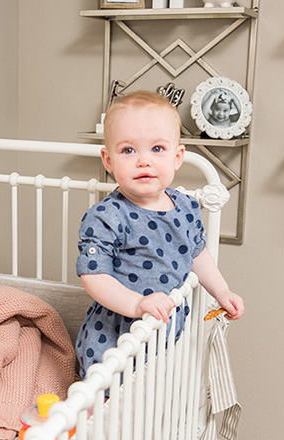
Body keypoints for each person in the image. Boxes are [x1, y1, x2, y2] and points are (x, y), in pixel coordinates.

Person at [75, 90, 244, 378]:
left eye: (157, 149)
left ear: (178, 157)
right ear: (108, 160)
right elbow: (94, 275)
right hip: (116, 338)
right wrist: (136, 304)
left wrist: (222, 290)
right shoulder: (107, 216)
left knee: (153, 399)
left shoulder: (187, 207)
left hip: (166, 329)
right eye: (128, 150)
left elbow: (196, 254)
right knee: (107, 402)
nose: (144, 161)